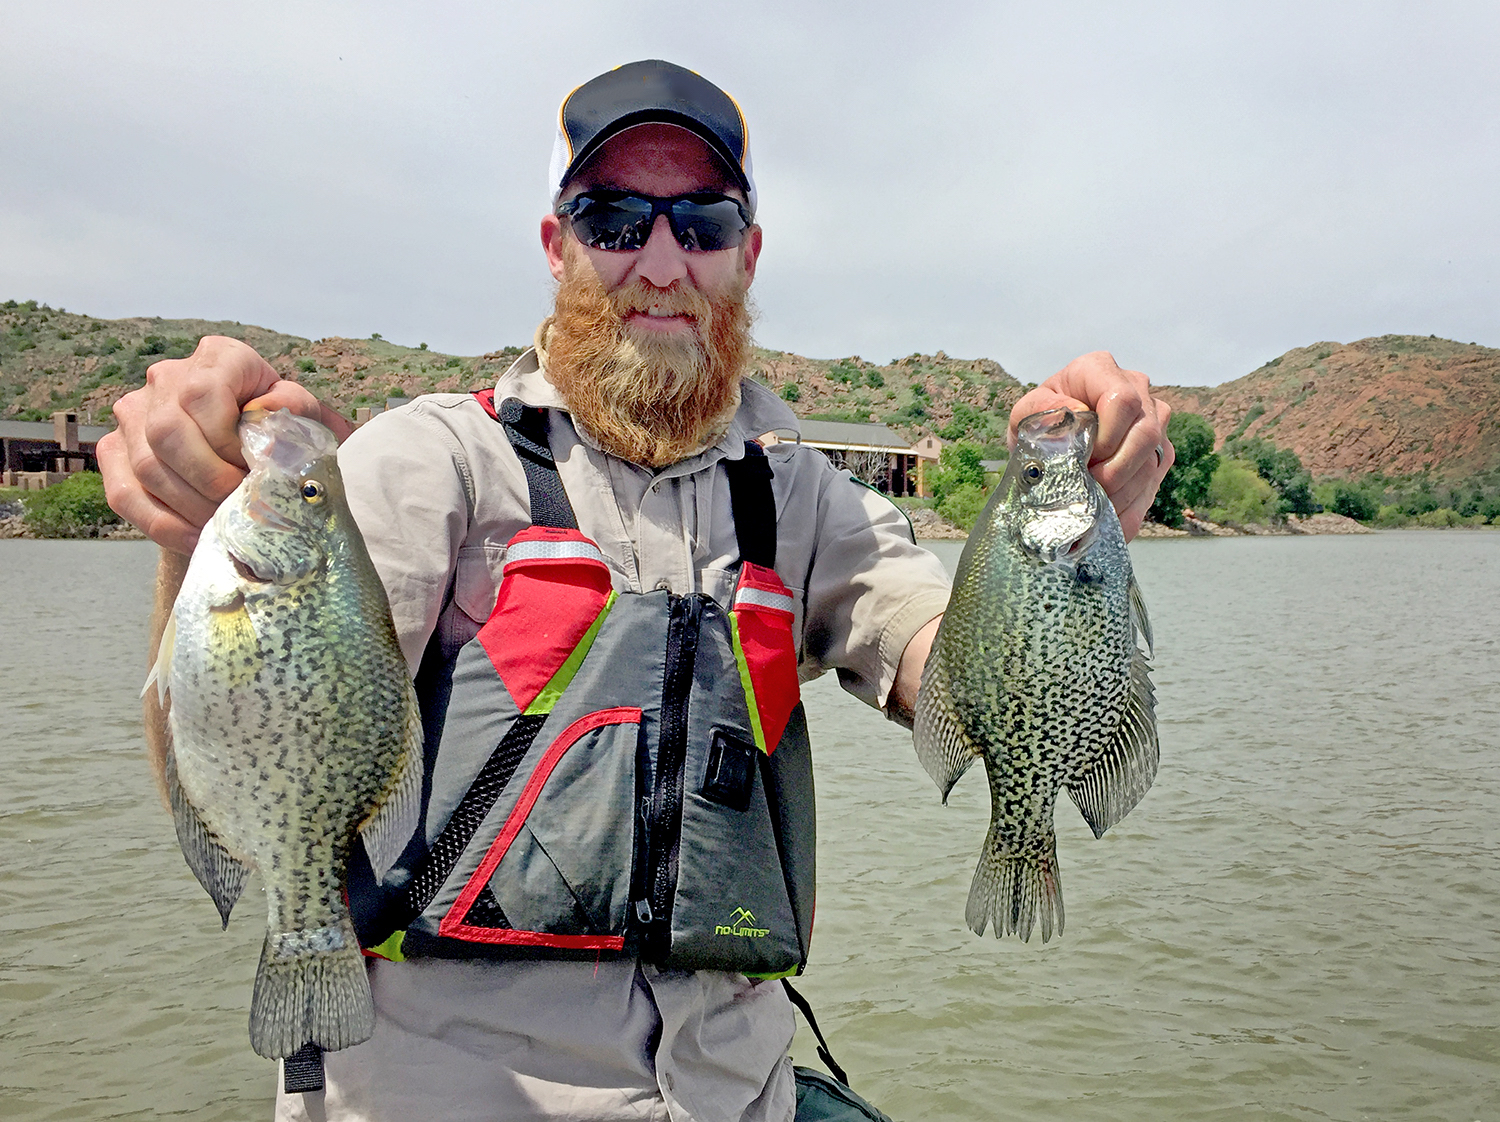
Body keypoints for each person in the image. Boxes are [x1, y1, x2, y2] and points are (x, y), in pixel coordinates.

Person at [99, 59, 1174, 1122]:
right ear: (556, 245)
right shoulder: (431, 460)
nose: (661, 262)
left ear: (746, 256)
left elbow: (941, 655)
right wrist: (191, 540)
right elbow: (248, 721)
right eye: (613, 219)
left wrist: (1066, 563)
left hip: (731, 1092)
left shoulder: (799, 494)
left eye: (700, 222)